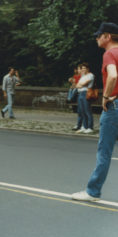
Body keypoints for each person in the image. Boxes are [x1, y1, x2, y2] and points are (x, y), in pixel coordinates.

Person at [72, 22, 118, 202]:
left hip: (113, 108)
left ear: (107, 37)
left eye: (99, 35)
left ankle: (93, 191)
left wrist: (106, 97)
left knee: (104, 152)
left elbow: (113, 75)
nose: (96, 38)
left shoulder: (109, 54)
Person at [75, 63, 95, 134]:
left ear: (88, 69)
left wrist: (80, 84)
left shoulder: (91, 75)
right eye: (82, 68)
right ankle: (84, 126)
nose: (83, 69)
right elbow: (77, 85)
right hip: (80, 93)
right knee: (82, 111)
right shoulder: (83, 76)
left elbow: (84, 84)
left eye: (84, 68)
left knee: (87, 111)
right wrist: (79, 85)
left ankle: (90, 127)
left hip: (86, 93)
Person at [71, 65, 82, 131]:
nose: (78, 70)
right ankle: (79, 125)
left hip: (83, 94)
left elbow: (78, 85)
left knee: (84, 112)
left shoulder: (86, 76)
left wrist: (77, 85)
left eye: (79, 69)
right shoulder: (80, 76)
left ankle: (86, 126)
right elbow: (76, 84)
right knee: (80, 111)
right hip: (79, 93)